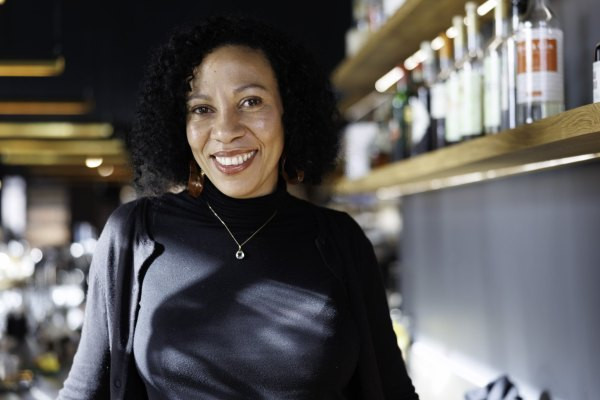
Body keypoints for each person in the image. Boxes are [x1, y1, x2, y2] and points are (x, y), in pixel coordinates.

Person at [57, 16, 419, 400]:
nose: (226, 130)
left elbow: (393, 391)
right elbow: (84, 391)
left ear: (290, 112)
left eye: (250, 102)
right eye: (202, 108)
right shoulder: (135, 235)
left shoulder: (340, 241)